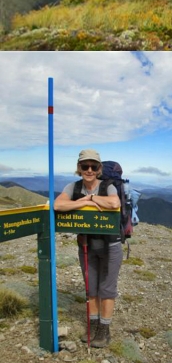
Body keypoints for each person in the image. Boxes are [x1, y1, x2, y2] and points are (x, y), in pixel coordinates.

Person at [53, 149, 121, 348]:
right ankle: (92, 327)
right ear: (79, 168)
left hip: (111, 245)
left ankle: (104, 331)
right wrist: (79, 201)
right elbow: (58, 205)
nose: (89, 170)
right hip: (87, 245)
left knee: (107, 289)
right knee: (91, 288)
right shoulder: (73, 186)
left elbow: (114, 202)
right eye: (85, 166)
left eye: (93, 166)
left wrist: (90, 199)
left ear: (99, 169)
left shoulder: (108, 186)